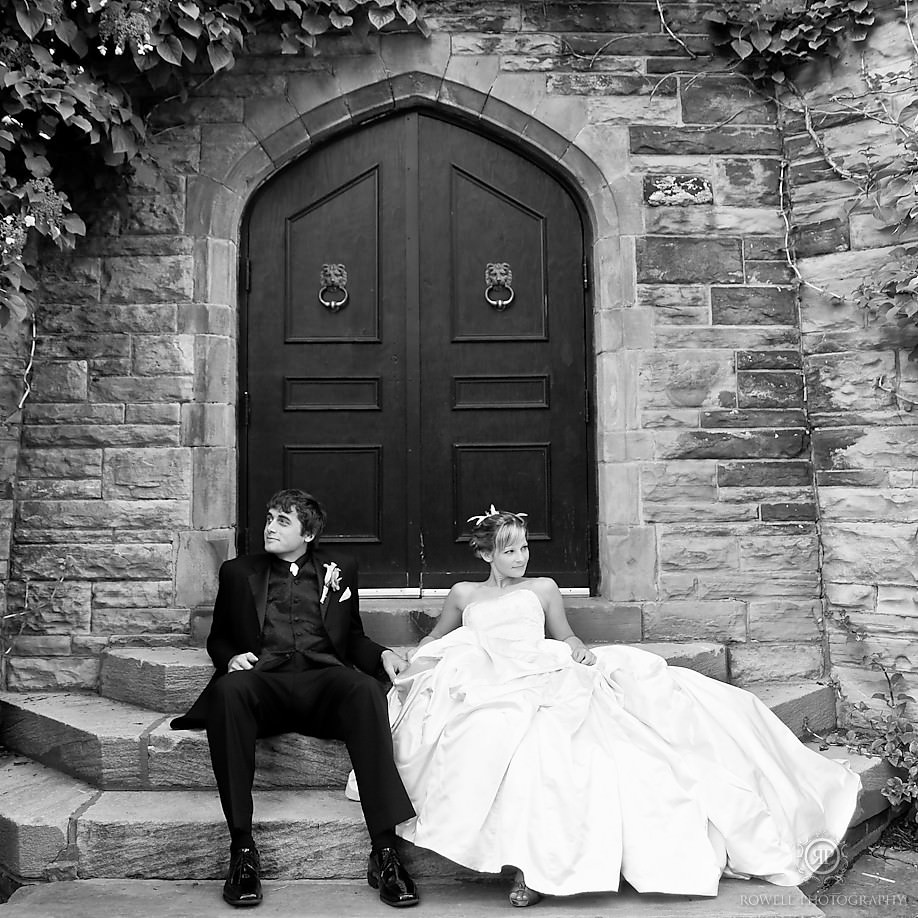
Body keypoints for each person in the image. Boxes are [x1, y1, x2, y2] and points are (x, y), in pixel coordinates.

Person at [366, 505, 861, 907]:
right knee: (496, 743)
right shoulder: (463, 593)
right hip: (489, 679)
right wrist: (413, 662)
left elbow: (564, 634)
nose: (520, 558)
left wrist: (578, 649)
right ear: (486, 556)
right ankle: (525, 863)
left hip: (542, 671)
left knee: (568, 745)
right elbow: (436, 637)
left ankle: (537, 868)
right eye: (509, 551)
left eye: (523, 548)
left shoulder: (542, 590)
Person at [172, 489, 419, 909]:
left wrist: (383, 656)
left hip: (321, 683)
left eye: (282, 521)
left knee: (363, 690)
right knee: (229, 692)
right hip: (263, 684)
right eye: (269, 517)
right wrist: (230, 657)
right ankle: (242, 850)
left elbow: (352, 637)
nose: (269, 526)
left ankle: (384, 850)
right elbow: (219, 638)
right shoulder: (238, 572)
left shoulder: (340, 569)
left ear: (308, 533)